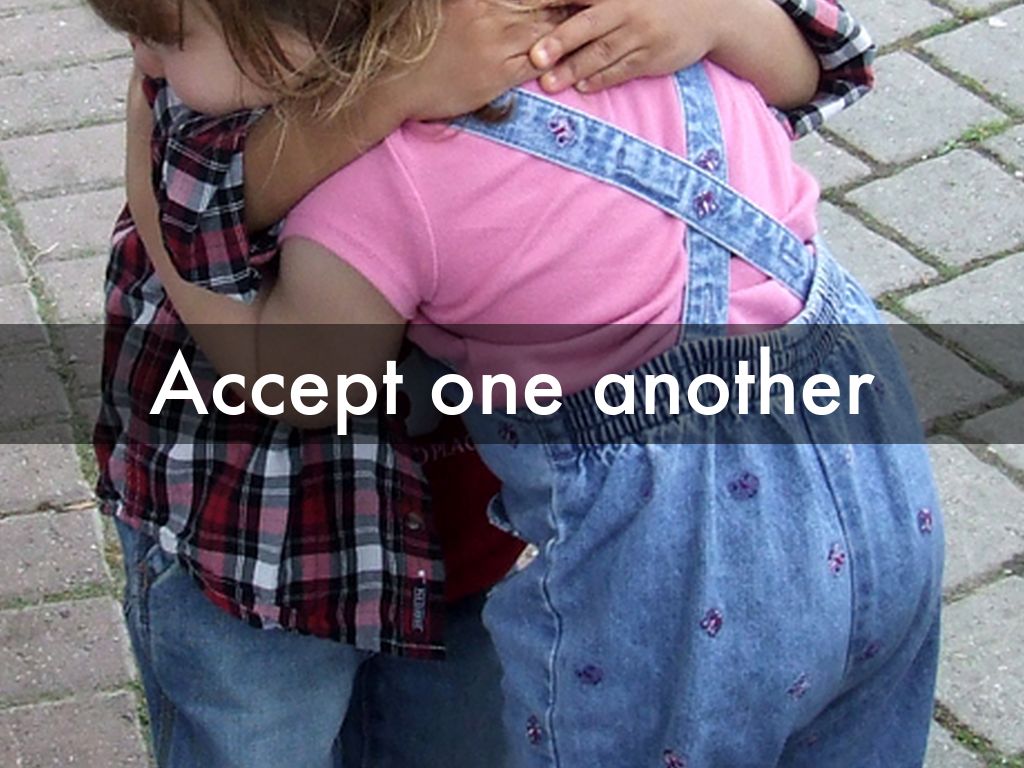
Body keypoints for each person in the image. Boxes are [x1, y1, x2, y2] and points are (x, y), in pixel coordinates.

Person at [89, 0, 893, 766]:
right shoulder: (218, 107)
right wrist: (380, 99)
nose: (143, 62)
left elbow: (817, 58)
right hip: (259, 556)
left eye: (167, 35)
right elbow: (285, 354)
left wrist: (710, 15)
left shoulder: (480, 65)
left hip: (461, 543)